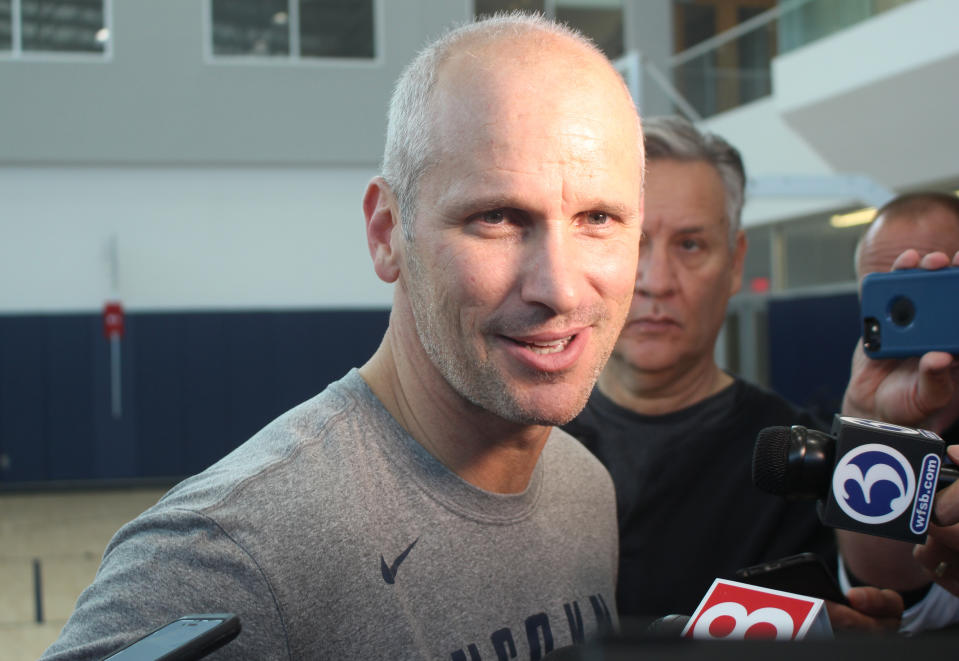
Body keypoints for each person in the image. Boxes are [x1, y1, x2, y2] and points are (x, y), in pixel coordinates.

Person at [42, 14, 645, 660]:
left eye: (598, 217)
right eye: (496, 218)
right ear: (386, 231)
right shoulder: (230, 555)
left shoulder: (585, 490)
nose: (559, 288)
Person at [561, 116, 855, 622]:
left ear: (735, 262)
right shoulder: (518, 442)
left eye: (690, 245)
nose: (656, 282)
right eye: (632, 244)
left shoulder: (802, 465)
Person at [837, 193, 959, 630]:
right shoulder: (843, 419)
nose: (915, 314)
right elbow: (890, 593)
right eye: (891, 298)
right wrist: (879, 423)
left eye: (941, 286)